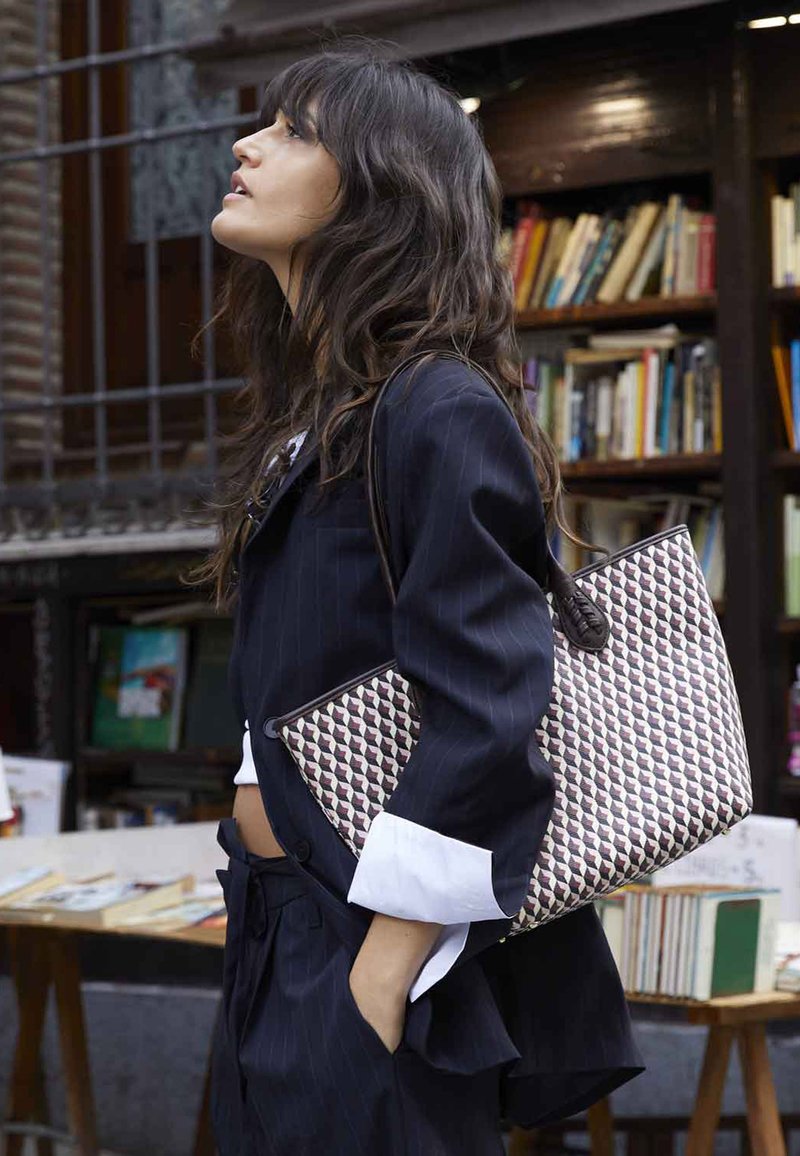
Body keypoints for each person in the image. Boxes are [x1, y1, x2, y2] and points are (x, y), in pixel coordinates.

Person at [187, 33, 644, 1156]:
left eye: (294, 131)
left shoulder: (433, 408)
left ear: (381, 192)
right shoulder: (318, 418)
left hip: (360, 943)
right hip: (278, 926)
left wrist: (381, 966)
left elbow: (490, 693)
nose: (246, 146)